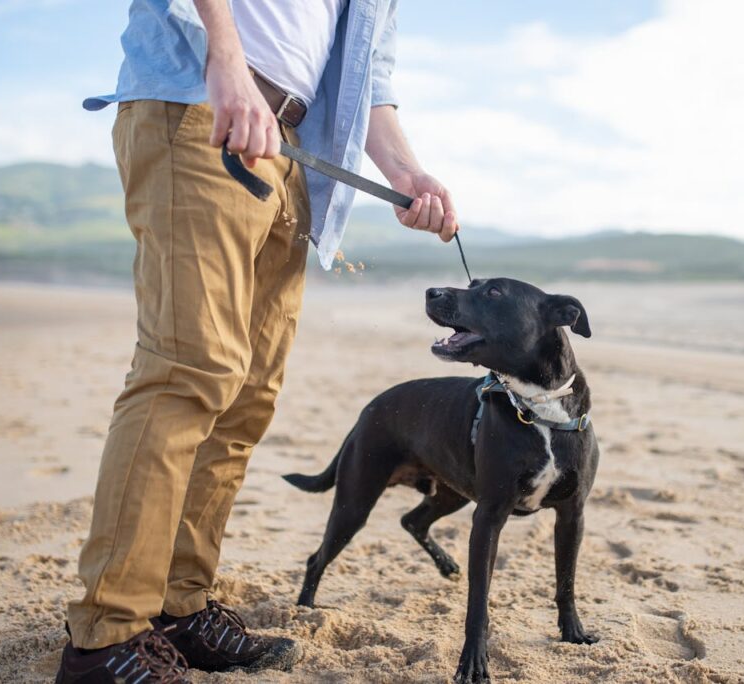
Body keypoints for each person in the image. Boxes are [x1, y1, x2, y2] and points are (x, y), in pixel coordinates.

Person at [56, 1, 458, 681]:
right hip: (202, 107)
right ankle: (106, 633)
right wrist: (227, 61)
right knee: (189, 373)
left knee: (247, 396)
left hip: (289, 151)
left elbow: (370, 77)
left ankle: (178, 607)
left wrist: (405, 172)